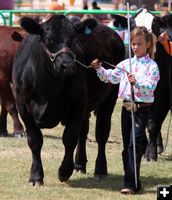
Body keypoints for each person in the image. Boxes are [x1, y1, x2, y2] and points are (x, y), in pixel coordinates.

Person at [90, 26, 160, 194]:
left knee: (133, 145)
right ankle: (131, 176)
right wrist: (98, 69)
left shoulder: (152, 66)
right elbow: (110, 77)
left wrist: (137, 83)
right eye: (133, 44)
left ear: (148, 44)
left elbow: (151, 87)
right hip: (126, 109)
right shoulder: (125, 64)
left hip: (142, 109)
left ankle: (131, 184)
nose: (135, 47)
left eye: (140, 44)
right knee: (128, 146)